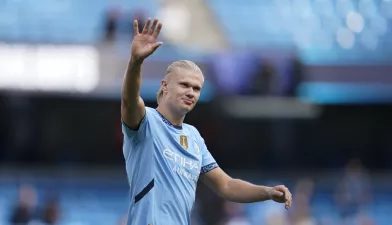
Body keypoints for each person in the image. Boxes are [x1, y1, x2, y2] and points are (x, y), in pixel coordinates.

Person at [121, 18, 293, 225]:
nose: (191, 92)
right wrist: (136, 62)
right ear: (165, 86)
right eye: (184, 85)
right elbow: (130, 101)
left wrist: (267, 192)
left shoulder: (193, 137)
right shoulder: (146, 122)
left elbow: (226, 185)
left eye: (196, 88)